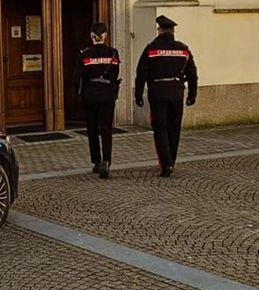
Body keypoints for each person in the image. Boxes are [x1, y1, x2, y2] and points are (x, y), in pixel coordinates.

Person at [134, 15, 197, 178]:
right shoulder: (183, 49)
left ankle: (166, 164)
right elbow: (192, 73)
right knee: (174, 128)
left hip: (157, 92)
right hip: (176, 92)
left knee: (160, 128)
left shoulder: (151, 49)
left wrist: (138, 94)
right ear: (173, 31)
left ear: (159, 30)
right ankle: (172, 161)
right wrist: (192, 94)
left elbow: (141, 73)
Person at [73, 22, 120, 180]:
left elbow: (76, 78)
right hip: (107, 94)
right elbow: (115, 74)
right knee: (106, 129)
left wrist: (80, 93)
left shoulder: (84, 54)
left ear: (92, 36)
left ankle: (97, 162)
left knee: (92, 129)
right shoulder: (113, 53)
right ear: (105, 35)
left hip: (90, 94)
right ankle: (107, 161)